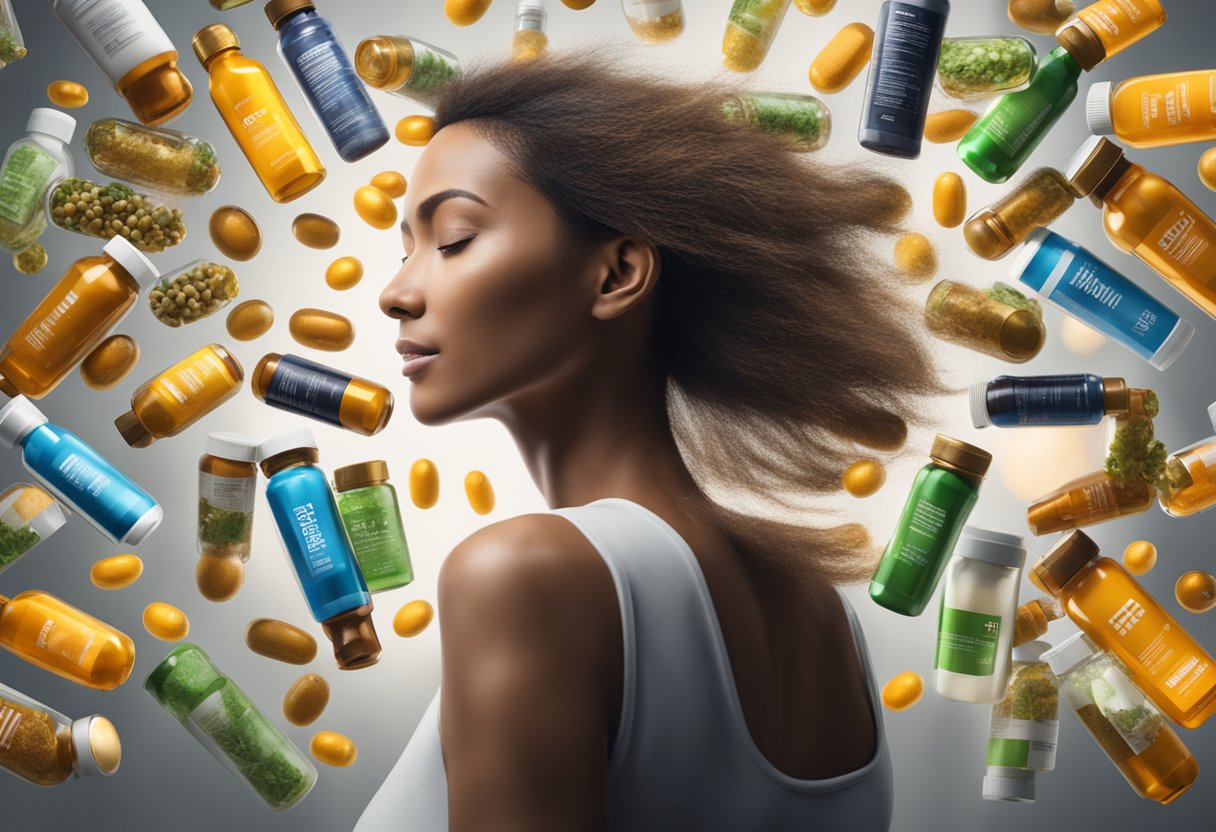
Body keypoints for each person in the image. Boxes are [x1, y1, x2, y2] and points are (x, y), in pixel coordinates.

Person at [356, 54, 941, 832]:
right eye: (407, 248)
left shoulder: (527, 575)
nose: (396, 291)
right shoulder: (817, 610)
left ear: (616, 274)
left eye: (455, 238)